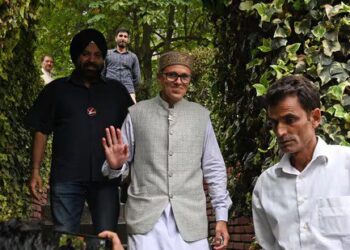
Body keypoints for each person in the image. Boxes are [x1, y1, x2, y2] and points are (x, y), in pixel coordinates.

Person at [101, 51, 232, 250]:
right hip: (145, 220)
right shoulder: (136, 114)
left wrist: (221, 216)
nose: (178, 81)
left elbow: (214, 168)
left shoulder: (201, 116)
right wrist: (115, 166)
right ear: (160, 77)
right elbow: (116, 166)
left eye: (184, 76)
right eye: (172, 75)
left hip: (191, 221)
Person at [25, 29, 134, 234]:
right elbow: (41, 130)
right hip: (67, 179)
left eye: (97, 55)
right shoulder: (56, 90)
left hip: (106, 180)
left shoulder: (117, 92)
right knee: (65, 238)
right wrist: (35, 171)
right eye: (86, 54)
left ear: (103, 59)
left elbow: (133, 132)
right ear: (76, 56)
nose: (91, 59)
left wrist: (131, 173)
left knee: (106, 240)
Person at [252, 75, 350, 249]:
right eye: (274, 123)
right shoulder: (266, 185)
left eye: (290, 120)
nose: (280, 131)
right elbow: (267, 244)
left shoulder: (346, 166)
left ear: (315, 118)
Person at [102, 28, 141, 103]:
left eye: (125, 36)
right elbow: (102, 73)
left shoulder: (133, 57)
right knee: (108, 114)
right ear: (116, 38)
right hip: (110, 90)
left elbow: (137, 79)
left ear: (128, 40)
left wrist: (131, 88)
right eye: (120, 36)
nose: (123, 38)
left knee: (131, 114)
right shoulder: (107, 54)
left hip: (129, 91)